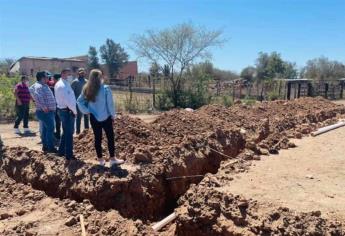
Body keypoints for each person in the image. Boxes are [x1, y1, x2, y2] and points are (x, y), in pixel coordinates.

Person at [77, 69, 124, 167]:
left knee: (97, 138)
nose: (103, 77)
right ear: (99, 77)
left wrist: (87, 111)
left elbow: (79, 101)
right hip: (106, 117)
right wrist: (112, 115)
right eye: (101, 75)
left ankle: (101, 160)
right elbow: (110, 104)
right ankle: (112, 159)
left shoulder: (86, 88)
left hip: (93, 117)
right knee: (110, 137)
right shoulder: (105, 88)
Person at [29, 71, 57, 153]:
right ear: (42, 78)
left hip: (46, 112)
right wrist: (44, 107)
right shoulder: (39, 86)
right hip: (45, 112)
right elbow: (37, 97)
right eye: (46, 77)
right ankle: (50, 147)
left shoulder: (43, 85)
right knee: (50, 129)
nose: (48, 78)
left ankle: (45, 146)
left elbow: (32, 91)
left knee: (45, 130)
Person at [55, 68, 77, 160]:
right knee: (69, 134)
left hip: (63, 110)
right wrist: (75, 111)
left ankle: (61, 151)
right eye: (68, 74)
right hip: (67, 111)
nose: (70, 76)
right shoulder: (62, 85)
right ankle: (69, 155)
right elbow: (68, 101)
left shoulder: (63, 83)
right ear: (63, 74)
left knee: (65, 132)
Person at [71, 68, 89, 134]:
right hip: (78, 102)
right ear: (78, 73)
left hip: (86, 102)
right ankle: (78, 132)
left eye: (83, 73)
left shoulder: (87, 81)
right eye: (81, 73)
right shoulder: (75, 82)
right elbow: (71, 92)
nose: (82, 74)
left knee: (86, 117)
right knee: (78, 117)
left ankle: (86, 131)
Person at [47, 74, 62, 140]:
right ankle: (57, 134)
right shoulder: (61, 86)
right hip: (58, 106)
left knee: (54, 121)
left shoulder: (53, 87)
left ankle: (56, 135)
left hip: (55, 106)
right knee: (57, 121)